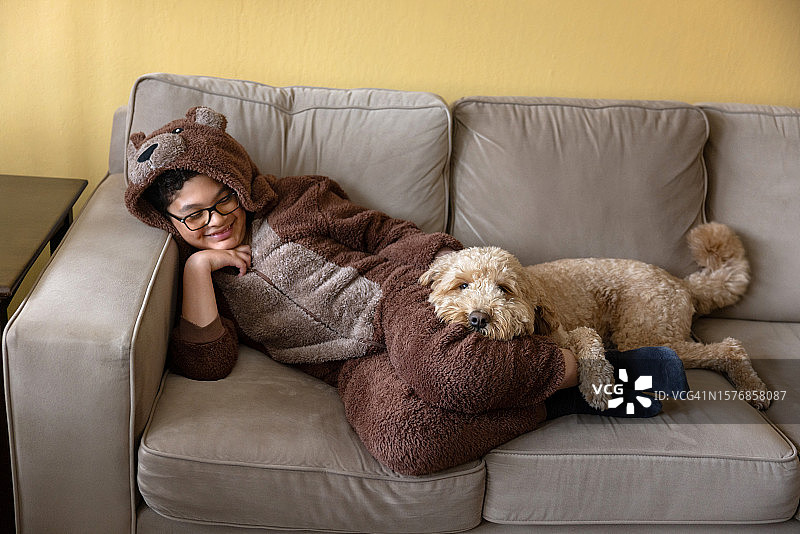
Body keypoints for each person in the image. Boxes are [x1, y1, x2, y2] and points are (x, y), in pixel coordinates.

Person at [125, 107, 688, 476]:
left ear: (237, 181)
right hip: (351, 366)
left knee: (450, 371)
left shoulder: (297, 199)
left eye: (221, 200)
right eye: (191, 216)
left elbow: (383, 232)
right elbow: (209, 363)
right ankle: (585, 386)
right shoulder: (198, 271)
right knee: (408, 444)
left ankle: (575, 365)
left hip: (396, 299)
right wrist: (201, 271)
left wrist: (441, 264)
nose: (214, 220)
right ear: (170, 222)